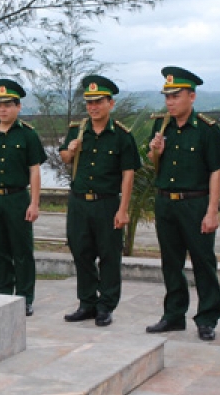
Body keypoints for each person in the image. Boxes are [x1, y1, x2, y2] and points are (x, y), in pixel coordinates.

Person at [146, 66, 220, 341]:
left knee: (203, 262)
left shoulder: (207, 130)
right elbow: (153, 164)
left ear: (192, 97)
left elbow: (215, 171)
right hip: (165, 203)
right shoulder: (161, 127)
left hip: (195, 204)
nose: (170, 102)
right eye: (167, 96)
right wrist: (154, 152)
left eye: (176, 96)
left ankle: (207, 318)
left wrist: (212, 211)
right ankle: (173, 315)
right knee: (170, 262)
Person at [59, 75, 140, 326]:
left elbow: (128, 174)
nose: (93, 107)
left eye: (99, 102)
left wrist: (123, 208)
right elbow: (64, 158)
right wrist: (70, 151)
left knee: (109, 256)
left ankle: (106, 305)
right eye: (89, 102)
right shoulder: (77, 130)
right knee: (80, 252)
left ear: (110, 104)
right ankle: (87, 303)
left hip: (107, 203)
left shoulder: (122, 136)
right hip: (79, 202)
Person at [0, 78, 48, 316]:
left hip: (17, 198)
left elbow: (35, 170)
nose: (2, 109)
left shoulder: (27, 135)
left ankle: (25, 297)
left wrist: (34, 203)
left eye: (7, 105)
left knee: (22, 250)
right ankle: (3, 292)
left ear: (18, 107)